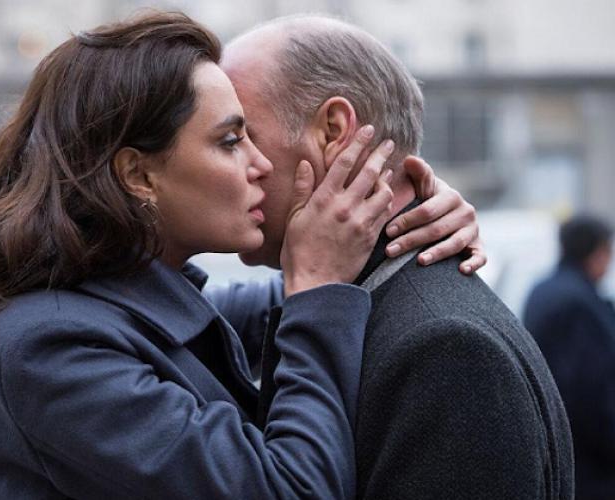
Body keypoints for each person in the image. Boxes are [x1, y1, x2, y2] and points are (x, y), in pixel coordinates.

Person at [0, 12, 485, 499]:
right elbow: (292, 489)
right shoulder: (51, 348)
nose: (260, 164)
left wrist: (399, 213)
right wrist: (318, 282)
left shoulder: (116, 306)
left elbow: (266, 310)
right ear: (138, 175)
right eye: (231, 141)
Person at [214, 15, 574, 499]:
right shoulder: (390, 306)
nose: (232, 169)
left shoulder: (445, 349)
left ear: (333, 131)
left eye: (240, 138)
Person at [525, 214, 615, 500]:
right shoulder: (580, 303)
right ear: (597, 252)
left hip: (553, 442)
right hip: (586, 463)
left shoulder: (543, 289)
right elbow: (592, 391)